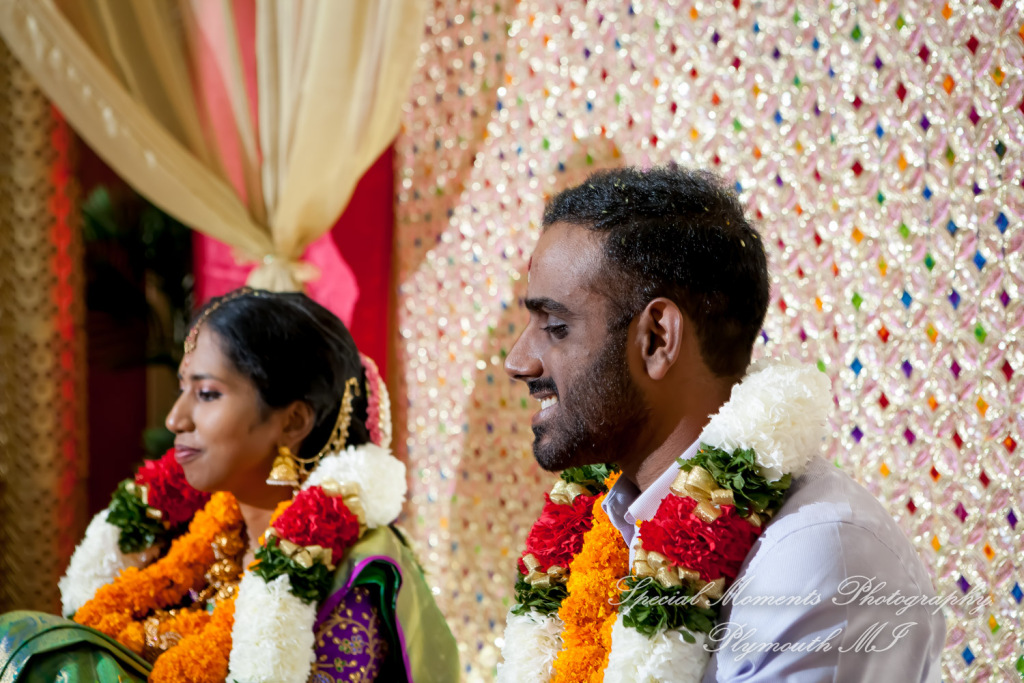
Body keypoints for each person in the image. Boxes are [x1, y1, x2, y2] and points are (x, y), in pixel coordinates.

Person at [497, 167, 946, 682]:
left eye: (556, 328)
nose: (518, 361)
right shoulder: (607, 526)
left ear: (657, 339)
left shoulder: (815, 562)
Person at [0, 288, 459, 683]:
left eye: (206, 394)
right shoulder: (196, 539)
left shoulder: (350, 578)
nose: (175, 418)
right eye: (182, 389)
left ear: (293, 420)